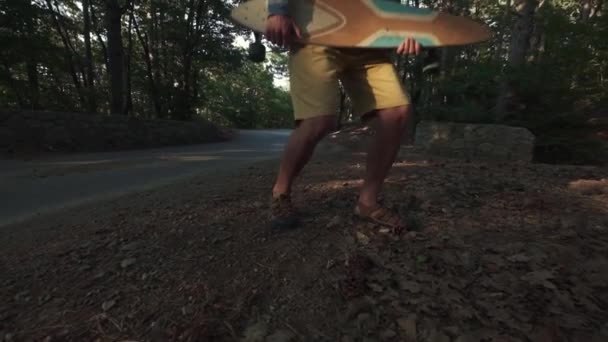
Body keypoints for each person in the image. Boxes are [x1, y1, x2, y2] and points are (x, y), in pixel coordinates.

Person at [266, 0, 426, 233]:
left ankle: (367, 203)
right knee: (319, 120)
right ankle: (280, 193)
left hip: (368, 43)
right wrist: (277, 11)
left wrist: (403, 28)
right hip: (316, 34)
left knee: (396, 113)